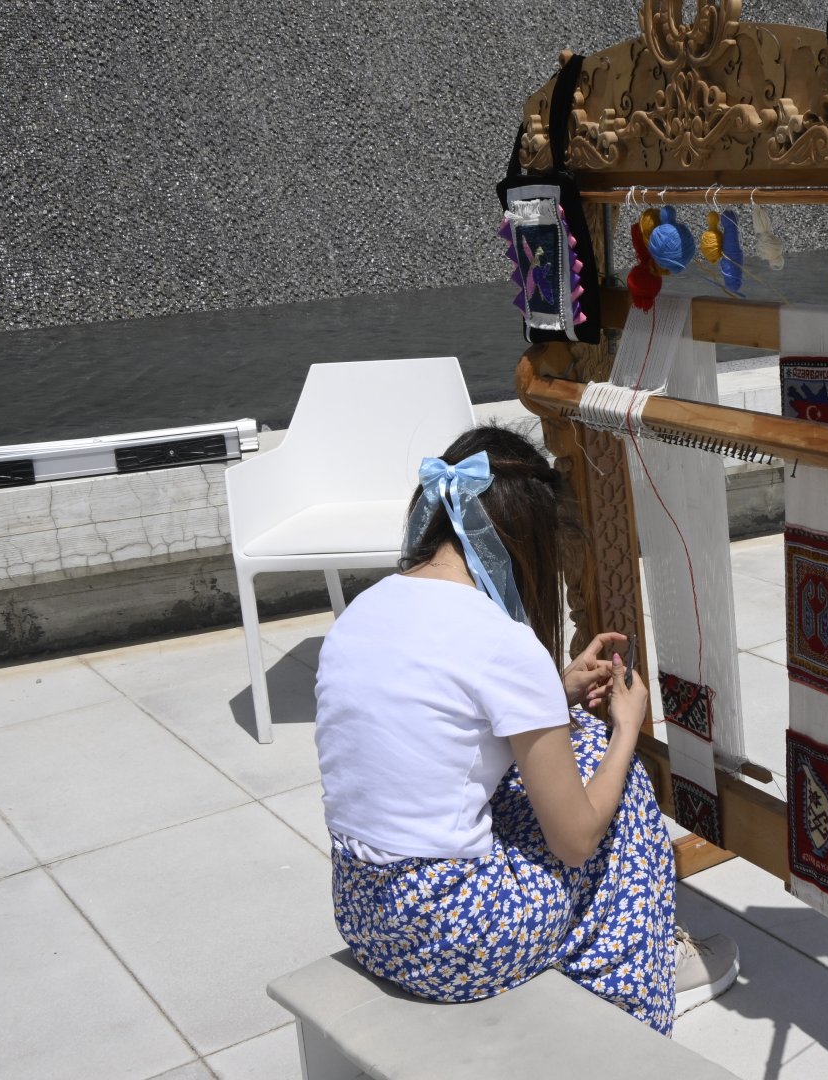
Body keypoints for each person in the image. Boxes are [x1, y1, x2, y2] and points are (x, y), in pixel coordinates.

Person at [314, 425, 737, 1034]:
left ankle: (609, 956)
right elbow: (574, 842)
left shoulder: (364, 609)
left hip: (364, 914)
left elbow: (434, 732)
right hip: (452, 941)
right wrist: (626, 729)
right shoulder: (501, 640)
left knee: (570, 752)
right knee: (617, 785)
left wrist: (550, 695)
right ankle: (634, 983)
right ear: (528, 538)